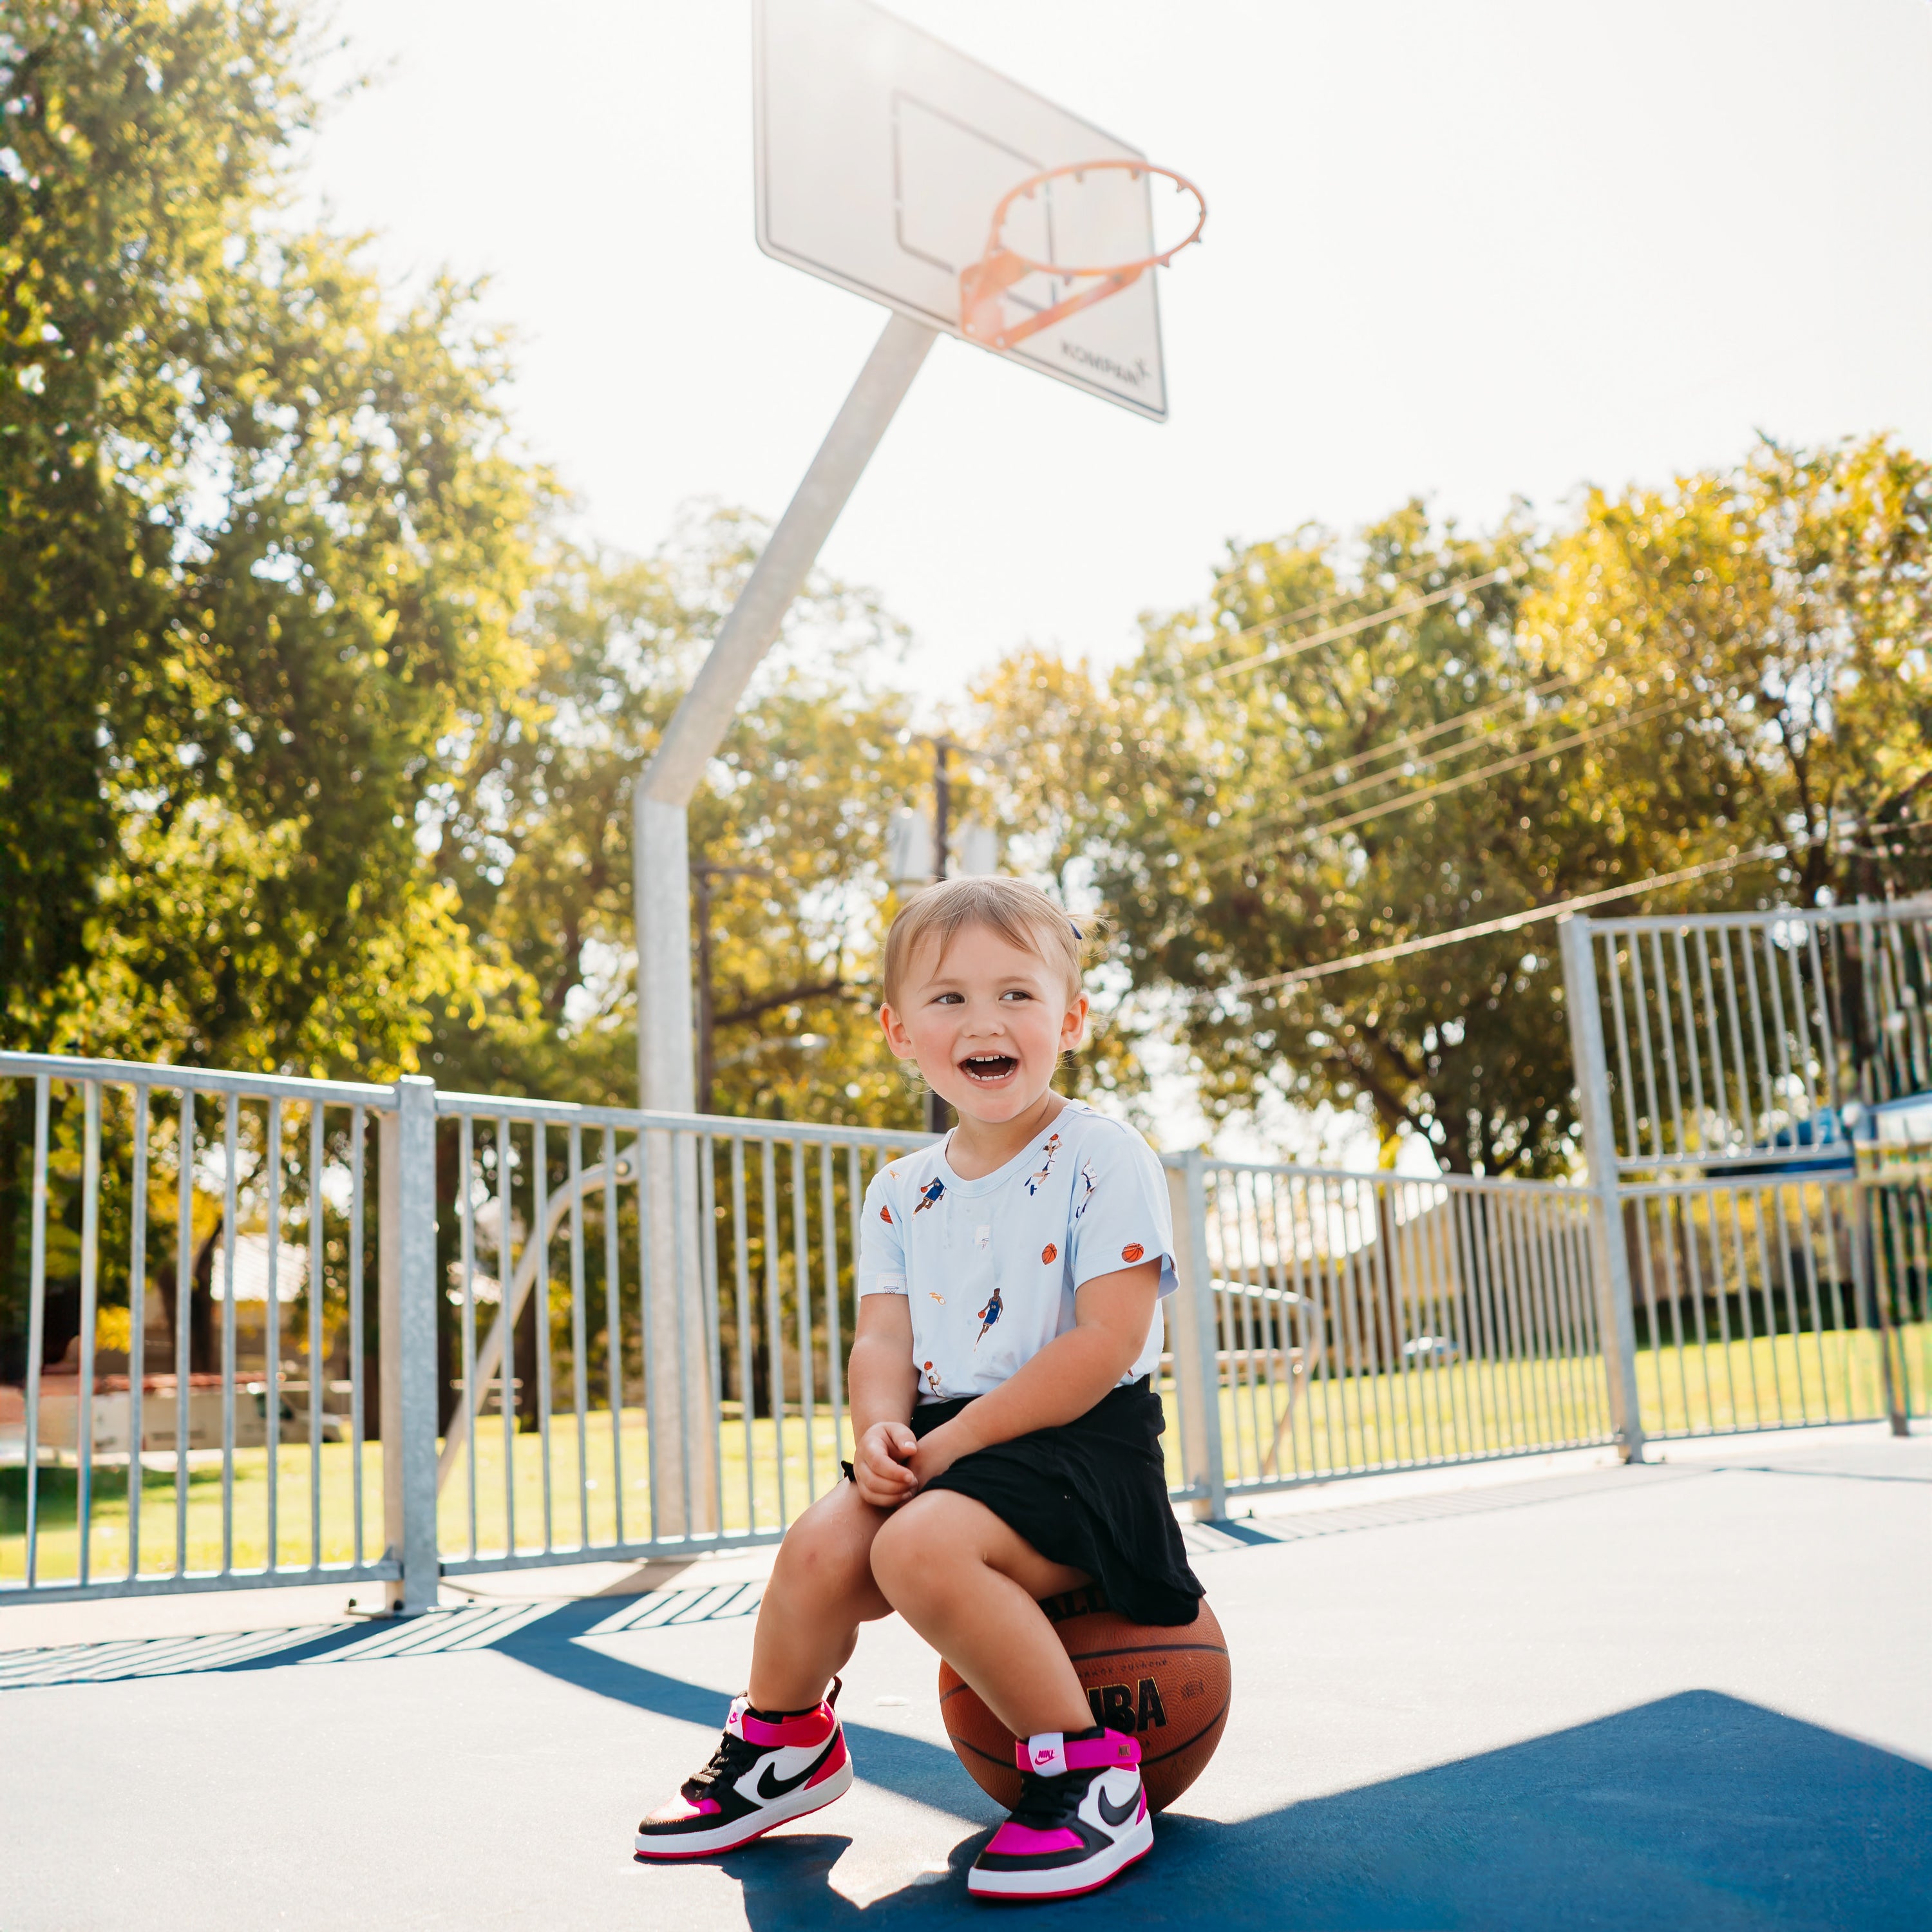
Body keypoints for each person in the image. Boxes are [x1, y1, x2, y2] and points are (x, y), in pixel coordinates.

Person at [635, 876, 1204, 1903]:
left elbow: (1101, 1345)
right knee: (818, 1545)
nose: (984, 1021)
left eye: (1016, 996)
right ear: (900, 1032)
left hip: (1083, 1443)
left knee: (916, 1543)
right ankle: (786, 1747)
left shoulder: (1103, 1156)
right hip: (948, 1442)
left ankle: (1089, 1777)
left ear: (1069, 1020)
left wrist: (945, 1454)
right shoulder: (902, 1189)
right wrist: (885, 1431)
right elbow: (882, 1336)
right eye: (948, 999)